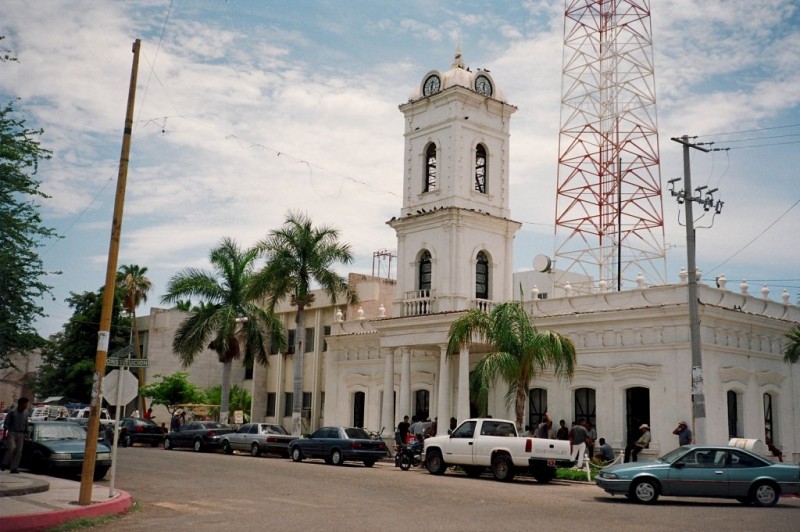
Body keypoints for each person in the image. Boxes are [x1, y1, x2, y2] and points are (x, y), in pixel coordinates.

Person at [1, 397, 31, 474]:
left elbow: (26, 424)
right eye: (25, 404)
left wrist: (27, 435)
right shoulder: (12, 412)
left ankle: (14, 468)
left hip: (21, 433)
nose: (26, 406)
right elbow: (6, 424)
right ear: (21, 404)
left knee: (19, 451)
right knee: (11, 448)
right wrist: (4, 435)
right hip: (12, 432)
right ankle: (4, 463)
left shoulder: (26, 413)